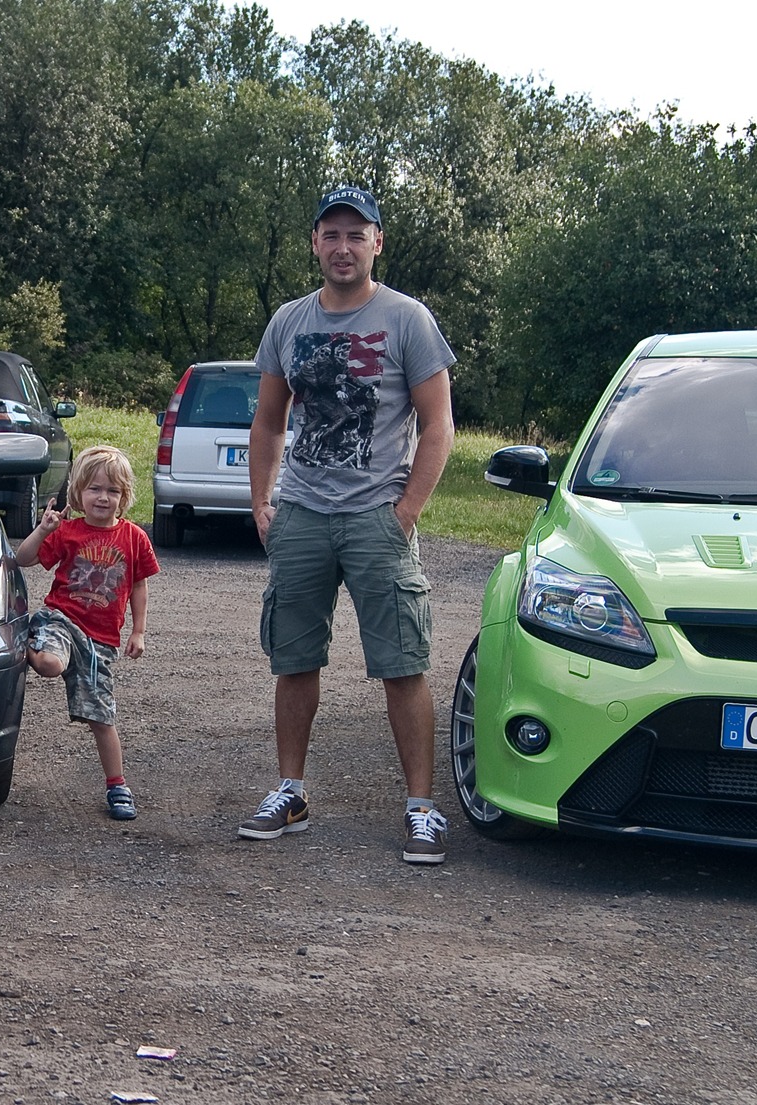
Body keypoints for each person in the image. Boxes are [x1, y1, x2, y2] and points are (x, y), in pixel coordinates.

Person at [238, 185, 458, 864]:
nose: (342, 247)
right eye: (330, 235)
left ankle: (421, 807)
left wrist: (406, 512)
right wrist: (262, 504)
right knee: (294, 657)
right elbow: (269, 420)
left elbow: (439, 424)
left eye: (355, 235)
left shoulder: (408, 320)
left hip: (376, 515)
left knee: (402, 663)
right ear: (315, 243)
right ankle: (290, 791)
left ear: (376, 243)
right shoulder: (289, 321)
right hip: (303, 510)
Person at [15, 445, 160, 820]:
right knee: (48, 663)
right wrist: (43, 528)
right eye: (95, 489)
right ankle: (25, 638)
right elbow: (23, 559)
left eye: (112, 491)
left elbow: (140, 584)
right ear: (79, 493)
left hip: (101, 642)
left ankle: (118, 785)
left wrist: (139, 631)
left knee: (102, 716)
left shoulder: (134, 538)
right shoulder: (67, 532)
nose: (103, 497)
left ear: (124, 497)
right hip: (61, 620)